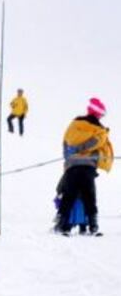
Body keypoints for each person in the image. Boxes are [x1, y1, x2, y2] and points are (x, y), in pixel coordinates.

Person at [54, 98, 113, 236]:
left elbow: (66, 142)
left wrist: (69, 156)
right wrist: (93, 154)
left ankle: (62, 224)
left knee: (69, 194)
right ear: (98, 114)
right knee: (89, 195)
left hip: (72, 165)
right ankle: (93, 225)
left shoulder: (74, 124)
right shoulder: (100, 130)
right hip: (88, 165)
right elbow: (98, 143)